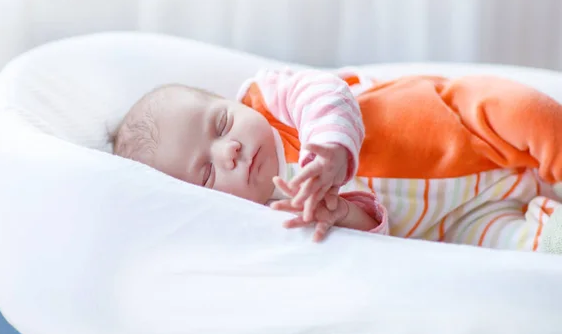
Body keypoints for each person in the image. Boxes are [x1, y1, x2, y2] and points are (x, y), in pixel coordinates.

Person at [112, 68, 562, 250]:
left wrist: (328, 146)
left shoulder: (268, 99)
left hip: (462, 132)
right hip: (451, 221)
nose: (229, 150)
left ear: (235, 102)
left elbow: (327, 92)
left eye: (222, 124)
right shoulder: (275, 216)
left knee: (524, 112)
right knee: (534, 249)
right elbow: (375, 231)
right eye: (207, 172)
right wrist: (341, 212)